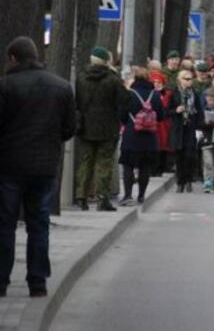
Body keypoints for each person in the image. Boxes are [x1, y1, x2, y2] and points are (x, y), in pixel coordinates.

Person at [0, 37, 76, 298]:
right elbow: (69, 128)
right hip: (45, 167)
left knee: (5, 224)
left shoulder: (6, 86)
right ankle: (37, 282)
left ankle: (1, 281)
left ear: (13, 58)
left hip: (9, 166)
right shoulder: (62, 87)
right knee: (39, 225)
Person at [73, 46, 128, 212]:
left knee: (85, 162)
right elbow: (124, 101)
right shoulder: (113, 79)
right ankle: (102, 199)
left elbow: (77, 101)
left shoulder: (81, 77)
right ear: (106, 61)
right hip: (108, 127)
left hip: (85, 126)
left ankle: (81, 197)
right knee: (104, 163)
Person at [119, 67, 165, 206]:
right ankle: (141, 196)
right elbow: (161, 116)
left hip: (131, 135)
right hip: (149, 136)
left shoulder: (129, 94)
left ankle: (127, 195)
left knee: (128, 165)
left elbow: (122, 115)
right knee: (145, 167)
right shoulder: (155, 95)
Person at [169, 70, 202, 193]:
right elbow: (167, 111)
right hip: (178, 128)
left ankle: (188, 179)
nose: (189, 81)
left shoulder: (194, 93)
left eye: (190, 79)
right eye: (186, 79)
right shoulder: (174, 93)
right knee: (179, 156)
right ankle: (180, 182)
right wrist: (176, 110)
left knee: (189, 156)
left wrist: (199, 128)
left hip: (190, 128)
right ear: (180, 80)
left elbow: (199, 110)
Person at [149, 71, 173, 177]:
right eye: (154, 82)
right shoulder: (149, 94)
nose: (157, 84)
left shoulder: (168, 94)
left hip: (164, 124)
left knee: (163, 147)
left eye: (159, 82)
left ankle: (161, 168)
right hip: (153, 123)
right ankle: (153, 168)